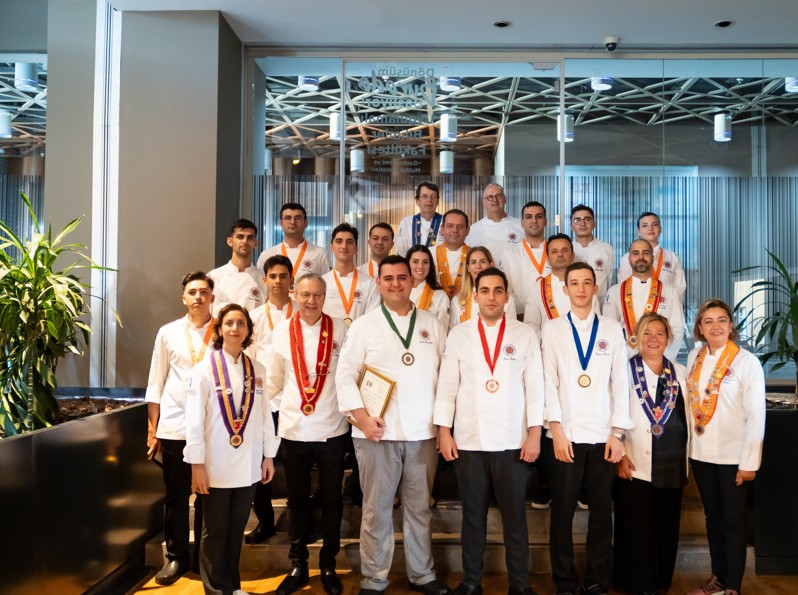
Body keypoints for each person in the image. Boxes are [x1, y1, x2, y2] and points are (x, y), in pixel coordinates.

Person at [336, 255, 450, 595]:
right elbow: (344, 376)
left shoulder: (432, 324)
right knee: (376, 510)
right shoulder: (363, 326)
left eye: (402, 277)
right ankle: (374, 578)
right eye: (388, 278)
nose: (396, 284)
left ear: (412, 281)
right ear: (379, 283)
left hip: (422, 434)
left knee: (419, 509)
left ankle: (422, 574)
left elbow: (446, 378)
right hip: (375, 434)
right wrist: (363, 419)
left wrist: (443, 427)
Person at [435, 267, 544, 595]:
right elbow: (447, 387)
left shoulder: (525, 334)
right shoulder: (459, 335)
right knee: (473, 516)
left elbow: (535, 388)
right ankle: (471, 580)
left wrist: (535, 433)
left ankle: (520, 584)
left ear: (507, 296)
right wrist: (443, 431)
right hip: (470, 439)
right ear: (475, 295)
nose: (492, 297)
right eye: (485, 290)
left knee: (515, 518)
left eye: (498, 291)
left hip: (513, 441)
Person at [541, 262, 633, 595]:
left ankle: (596, 580)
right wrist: (556, 430)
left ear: (595, 288)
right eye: (574, 283)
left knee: (601, 515)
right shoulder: (552, 328)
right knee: (562, 513)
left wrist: (618, 434)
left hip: (603, 436)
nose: (581, 289)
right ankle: (565, 582)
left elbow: (620, 382)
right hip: (564, 436)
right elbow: (548, 381)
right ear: (564, 289)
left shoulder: (611, 328)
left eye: (587, 283)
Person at [184, 304, 280, 595]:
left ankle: (232, 587)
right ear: (219, 329)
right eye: (229, 323)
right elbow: (193, 421)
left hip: (248, 463)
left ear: (248, 330)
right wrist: (197, 464)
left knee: (236, 530)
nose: (235, 328)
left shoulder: (257, 370)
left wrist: (269, 455)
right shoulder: (203, 370)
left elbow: (264, 416)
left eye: (241, 323)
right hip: (214, 465)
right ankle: (216, 590)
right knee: (215, 532)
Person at [268, 274, 348, 595]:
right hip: (294, 427)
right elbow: (274, 381)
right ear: (294, 295)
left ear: (325, 297)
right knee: (297, 498)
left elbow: (349, 375)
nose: (311, 301)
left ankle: (328, 564)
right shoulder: (281, 331)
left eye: (317, 295)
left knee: (332, 498)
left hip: (332, 426)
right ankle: (298, 564)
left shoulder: (341, 328)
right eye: (305, 295)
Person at [686, 299, 766, 595]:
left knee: (733, 523)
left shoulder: (747, 361)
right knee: (713, 518)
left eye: (721, 320)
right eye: (708, 321)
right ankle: (717, 578)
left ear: (731, 326)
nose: (715, 326)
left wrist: (749, 462)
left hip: (734, 457)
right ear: (700, 328)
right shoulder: (694, 357)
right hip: (701, 454)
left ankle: (732, 585)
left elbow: (756, 415)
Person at [145, 271, 214, 585]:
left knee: (207, 496)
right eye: (192, 292)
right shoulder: (168, 332)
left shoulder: (223, 331)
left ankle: (202, 557)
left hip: (212, 429)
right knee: (176, 497)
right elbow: (155, 382)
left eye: (203, 291)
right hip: (174, 427)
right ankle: (176, 557)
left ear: (212, 297)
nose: (198, 297)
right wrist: (152, 430)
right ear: (183, 297)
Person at [614, 313, 689, 595]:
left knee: (666, 527)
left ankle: (661, 582)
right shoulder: (624, 369)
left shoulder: (679, 372)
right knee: (636, 527)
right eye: (647, 333)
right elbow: (614, 413)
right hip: (634, 460)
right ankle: (637, 584)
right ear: (637, 338)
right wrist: (620, 454)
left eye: (659, 333)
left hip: (671, 463)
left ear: (668, 339)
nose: (653, 339)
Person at [244, 254, 297, 546]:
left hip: (298, 400)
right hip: (264, 400)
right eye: (273, 276)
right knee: (259, 462)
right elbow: (248, 359)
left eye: (283, 276)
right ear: (265, 280)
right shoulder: (253, 318)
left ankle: (298, 523)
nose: (278, 281)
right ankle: (265, 521)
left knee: (296, 464)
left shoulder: (303, 312)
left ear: (291, 280)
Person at [603, 239, 684, 362]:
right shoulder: (614, 292)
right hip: (626, 362)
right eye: (635, 253)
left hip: (661, 361)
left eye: (646, 253)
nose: (641, 257)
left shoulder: (669, 291)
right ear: (629, 259)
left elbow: (677, 330)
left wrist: (660, 359)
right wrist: (625, 359)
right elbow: (609, 330)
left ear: (653, 257)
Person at [523, 234, 595, 336]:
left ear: (573, 255)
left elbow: (596, 321)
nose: (560, 254)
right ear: (547, 258)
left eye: (565, 250)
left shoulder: (586, 286)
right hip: (549, 344)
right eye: (554, 251)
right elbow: (531, 327)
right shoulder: (537, 288)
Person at [617, 212, 686, 301]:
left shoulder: (672, 258)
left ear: (660, 229)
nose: (650, 228)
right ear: (639, 231)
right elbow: (623, 286)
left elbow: (680, 288)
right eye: (645, 225)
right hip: (636, 307)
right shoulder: (628, 258)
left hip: (667, 307)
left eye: (655, 225)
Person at [322, 223, 380, 325]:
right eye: (339, 241)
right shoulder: (322, 282)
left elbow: (372, 320)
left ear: (356, 248)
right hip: (328, 334)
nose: (344, 246)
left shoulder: (370, 284)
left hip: (360, 335)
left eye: (349, 242)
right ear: (331, 247)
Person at [208, 219, 268, 315]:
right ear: (230, 241)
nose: (245, 241)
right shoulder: (213, 277)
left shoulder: (264, 279)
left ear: (256, 243)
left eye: (250, 237)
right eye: (240, 237)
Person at [500, 201, 550, 317]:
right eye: (529, 217)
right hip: (521, 316)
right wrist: (522, 314)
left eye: (539, 216)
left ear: (545, 221)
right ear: (522, 223)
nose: (534, 221)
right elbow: (507, 289)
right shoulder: (510, 253)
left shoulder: (557, 251)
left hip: (554, 315)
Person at [256, 202, 331, 277]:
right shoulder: (267, 255)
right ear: (281, 223)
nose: (293, 222)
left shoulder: (320, 254)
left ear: (306, 223)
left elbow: (328, 282)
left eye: (298, 218)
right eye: (288, 218)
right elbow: (260, 283)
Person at [450, 246, 517, 329]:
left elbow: (512, 329)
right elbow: (454, 332)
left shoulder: (506, 298)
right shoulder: (457, 300)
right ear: (468, 268)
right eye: (473, 262)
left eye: (483, 261)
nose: (478, 266)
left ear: (491, 265)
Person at [464, 183, 524, 264]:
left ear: (505, 199)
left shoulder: (521, 226)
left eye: (498, 196)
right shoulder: (473, 230)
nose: (494, 200)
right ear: (483, 202)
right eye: (490, 197)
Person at [570, 205, 614, 302]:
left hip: (600, 307)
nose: (582, 224)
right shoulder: (567, 250)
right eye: (577, 220)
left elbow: (609, 281)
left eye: (587, 219)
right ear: (571, 226)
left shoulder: (607, 249)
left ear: (594, 224)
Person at [395, 181, 444, 256]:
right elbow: (401, 252)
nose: (429, 200)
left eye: (433, 196)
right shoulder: (406, 223)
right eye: (424, 196)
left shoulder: (446, 222)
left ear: (437, 201)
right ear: (417, 201)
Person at [407, 244, 451, 328]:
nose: (420, 266)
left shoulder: (440, 296)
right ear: (407, 264)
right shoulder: (399, 291)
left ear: (430, 265)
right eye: (415, 261)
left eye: (425, 262)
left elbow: (441, 331)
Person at [434, 209, 470, 299]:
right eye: (450, 226)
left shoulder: (475, 255)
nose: (455, 230)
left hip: (465, 302)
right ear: (442, 229)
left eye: (460, 226)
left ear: (467, 230)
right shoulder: (429, 254)